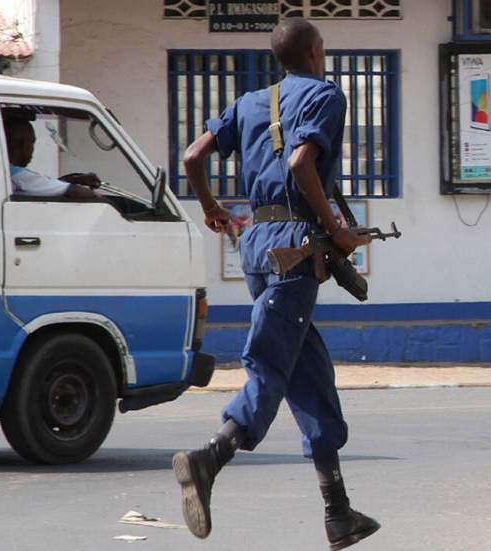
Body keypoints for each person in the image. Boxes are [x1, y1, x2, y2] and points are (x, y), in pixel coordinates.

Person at [172, 18, 379, 550]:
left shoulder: (249, 102)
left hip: (257, 243)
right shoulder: (327, 96)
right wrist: (337, 229)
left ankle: (338, 512)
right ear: (314, 52)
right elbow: (301, 160)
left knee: (305, 368)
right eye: (324, 49)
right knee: (270, 359)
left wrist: (212, 205)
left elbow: (193, 157)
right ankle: (209, 458)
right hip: (297, 247)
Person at [4, 117, 99, 199]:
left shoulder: (5, 172)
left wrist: (74, 180)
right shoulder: (16, 175)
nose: (33, 148)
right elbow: (74, 191)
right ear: (23, 145)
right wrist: (102, 199)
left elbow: (44, 186)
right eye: (32, 142)